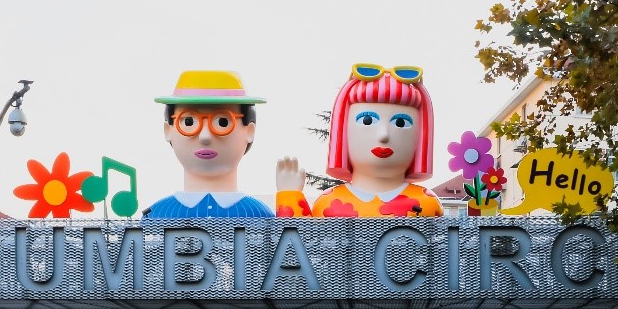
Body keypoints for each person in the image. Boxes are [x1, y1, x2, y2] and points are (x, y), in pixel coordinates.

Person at [276, 63, 443, 218]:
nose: (384, 135)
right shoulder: (329, 204)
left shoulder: (426, 204)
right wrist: (290, 196)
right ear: (343, 130)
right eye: (367, 120)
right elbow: (299, 245)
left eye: (400, 123)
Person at [146, 70, 274, 218]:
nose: (205, 136)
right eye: (189, 122)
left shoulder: (260, 215)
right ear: (168, 130)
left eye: (222, 122)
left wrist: (290, 197)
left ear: (249, 131)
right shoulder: (157, 214)